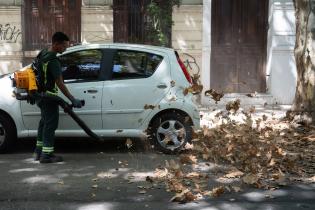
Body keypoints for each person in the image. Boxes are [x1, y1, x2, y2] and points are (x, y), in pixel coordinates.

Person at [34, 32, 83, 163]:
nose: (65, 49)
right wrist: (72, 99)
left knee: (43, 122)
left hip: (40, 95)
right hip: (49, 97)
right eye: (64, 46)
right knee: (50, 124)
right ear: (56, 44)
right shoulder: (53, 60)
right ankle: (47, 155)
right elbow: (60, 83)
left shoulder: (43, 53)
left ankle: (38, 152)